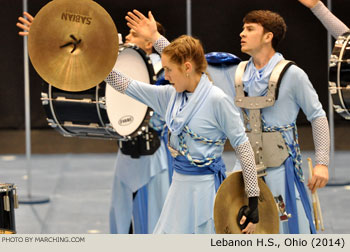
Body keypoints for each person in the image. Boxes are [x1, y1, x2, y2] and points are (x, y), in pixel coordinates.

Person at [125, 9, 330, 234]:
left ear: (268, 36)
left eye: (250, 29)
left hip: (280, 167)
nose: (242, 33)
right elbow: (188, 65)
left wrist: (322, 162)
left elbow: (317, 115)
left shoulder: (293, 74)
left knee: (288, 230)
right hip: (243, 172)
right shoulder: (236, 73)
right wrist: (155, 38)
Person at [16, 12, 172, 234]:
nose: (127, 36)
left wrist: (158, 39)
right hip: (126, 155)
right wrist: (46, 36)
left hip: (152, 158)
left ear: (150, 43)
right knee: (121, 220)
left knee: (152, 222)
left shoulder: (162, 69)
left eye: (133, 34)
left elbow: (184, 62)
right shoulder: (125, 62)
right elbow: (85, 57)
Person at [105, 13, 261, 233]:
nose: (165, 76)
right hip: (177, 188)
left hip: (206, 191)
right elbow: (126, 85)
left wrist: (253, 201)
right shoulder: (169, 95)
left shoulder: (217, 100)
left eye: (169, 70)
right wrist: (96, 63)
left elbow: (244, 148)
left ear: (187, 68)